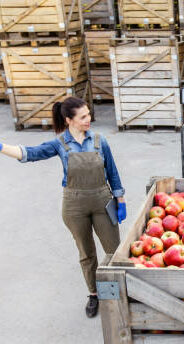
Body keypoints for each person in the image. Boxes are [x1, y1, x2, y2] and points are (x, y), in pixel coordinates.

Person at [0, 97, 126, 318]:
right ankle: (94, 294)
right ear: (69, 120)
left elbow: (113, 172)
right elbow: (30, 153)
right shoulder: (60, 144)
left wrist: (120, 200)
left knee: (115, 250)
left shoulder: (99, 140)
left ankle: (124, 291)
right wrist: (1, 147)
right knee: (86, 253)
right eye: (83, 117)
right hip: (74, 206)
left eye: (88, 114)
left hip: (102, 200)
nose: (89, 119)